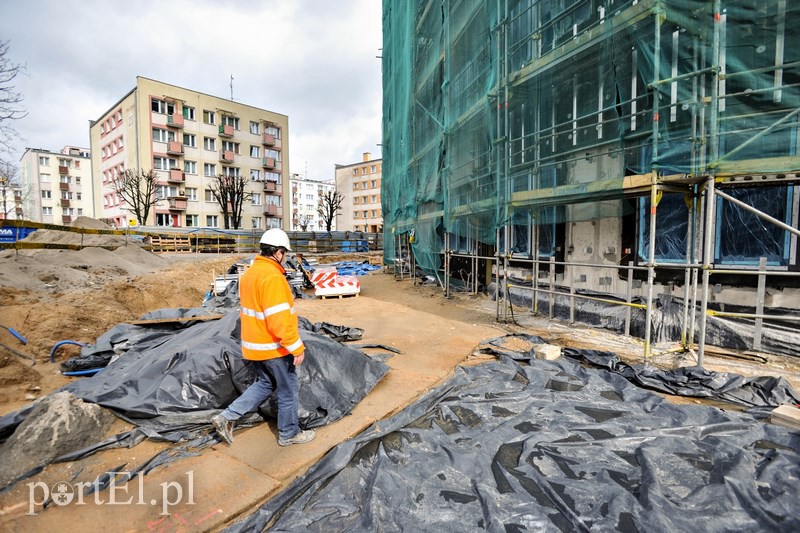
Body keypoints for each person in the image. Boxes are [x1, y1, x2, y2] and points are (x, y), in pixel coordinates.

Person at [211, 228, 315, 447]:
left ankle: (227, 417)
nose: (285, 258)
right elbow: (279, 319)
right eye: (284, 253)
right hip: (273, 348)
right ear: (277, 253)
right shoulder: (272, 278)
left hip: (254, 347)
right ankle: (289, 433)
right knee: (288, 390)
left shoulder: (249, 274)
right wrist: (296, 347)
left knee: (265, 384)